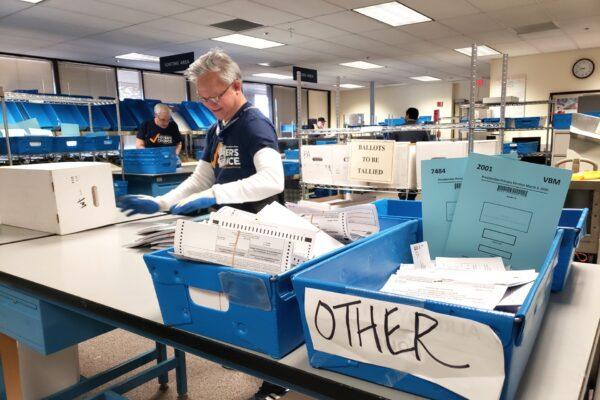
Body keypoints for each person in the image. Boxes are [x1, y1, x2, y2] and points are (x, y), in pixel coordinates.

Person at [118, 49, 286, 400]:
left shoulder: (254, 124)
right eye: (203, 98)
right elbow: (202, 176)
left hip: (265, 231)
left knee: (265, 306)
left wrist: (216, 195)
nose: (211, 103)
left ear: (236, 86)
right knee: (241, 299)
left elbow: (274, 180)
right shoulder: (217, 128)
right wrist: (162, 202)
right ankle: (253, 357)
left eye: (216, 96)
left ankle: (277, 382)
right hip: (234, 228)